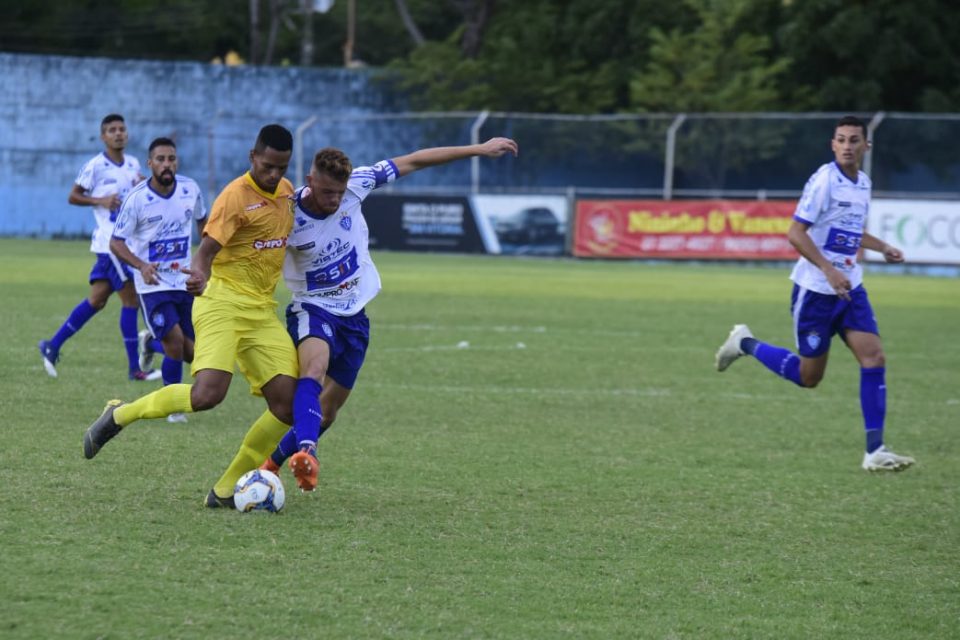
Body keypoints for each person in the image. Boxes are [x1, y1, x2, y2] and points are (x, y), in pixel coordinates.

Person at [258, 138, 519, 493]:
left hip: (355, 316)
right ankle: (307, 450)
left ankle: (271, 464)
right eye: (327, 192)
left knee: (329, 411)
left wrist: (478, 149)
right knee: (313, 370)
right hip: (312, 306)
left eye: (339, 192)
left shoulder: (358, 184)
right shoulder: (286, 214)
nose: (335, 199)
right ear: (310, 180)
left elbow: (414, 160)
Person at [82, 124, 301, 510]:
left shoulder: (285, 193)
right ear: (253, 157)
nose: (274, 174)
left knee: (287, 405)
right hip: (221, 303)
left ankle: (224, 490)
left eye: (281, 168)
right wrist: (199, 273)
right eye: (268, 166)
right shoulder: (234, 197)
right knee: (206, 395)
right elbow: (206, 249)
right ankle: (120, 414)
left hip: (261, 312)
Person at [714, 115, 915, 472]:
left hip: (850, 288)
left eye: (855, 140)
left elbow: (849, 231)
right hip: (816, 293)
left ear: (866, 146)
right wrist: (828, 269)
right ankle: (744, 343)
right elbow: (795, 233)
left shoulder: (862, 183)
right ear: (832, 144)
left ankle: (875, 451)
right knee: (809, 378)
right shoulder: (825, 181)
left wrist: (882, 245)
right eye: (841, 140)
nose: (848, 146)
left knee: (875, 358)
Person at [39, 113, 159, 381]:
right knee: (131, 299)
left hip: (126, 243)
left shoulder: (133, 164)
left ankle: (52, 345)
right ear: (103, 136)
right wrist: (100, 200)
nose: (118, 133)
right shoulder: (95, 166)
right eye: (112, 130)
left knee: (97, 300)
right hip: (110, 243)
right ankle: (135, 369)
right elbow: (73, 196)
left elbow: (138, 199)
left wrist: (143, 186)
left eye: (122, 129)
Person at [109, 137, 208, 424]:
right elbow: (117, 242)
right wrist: (141, 266)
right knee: (175, 343)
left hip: (185, 281)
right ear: (150, 163)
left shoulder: (191, 189)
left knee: (193, 354)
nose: (167, 164)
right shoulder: (138, 198)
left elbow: (204, 223)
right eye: (161, 159)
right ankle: (173, 406)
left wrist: (206, 256)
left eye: (172, 159)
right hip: (152, 285)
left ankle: (150, 342)